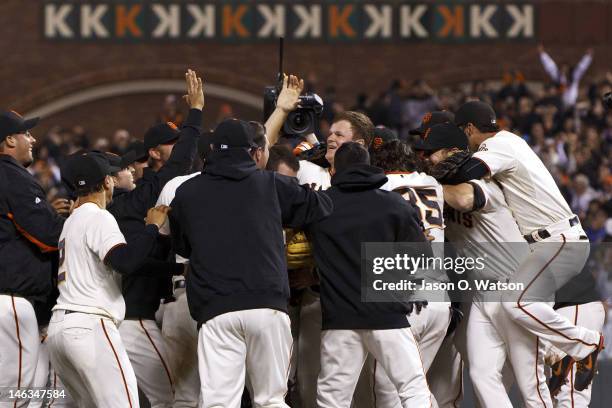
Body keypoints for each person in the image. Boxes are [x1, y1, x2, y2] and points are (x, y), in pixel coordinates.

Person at [438, 100, 604, 391]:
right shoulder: (510, 144)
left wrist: (430, 178)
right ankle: (557, 355)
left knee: (517, 302)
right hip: (548, 242)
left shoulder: (498, 144)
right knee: (519, 304)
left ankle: (584, 343)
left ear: (469, 129)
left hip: (557, 240)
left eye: (462, 134)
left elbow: (471, 170)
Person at [169, 118, 333, 407]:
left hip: (216, 308)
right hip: (266, 304)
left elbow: (183, 246)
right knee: (270, 399)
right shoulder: (271, 183)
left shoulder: (187, 192)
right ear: (255, 153)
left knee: (219, 402)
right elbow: (321, 207)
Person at [425, 124, 551, 407]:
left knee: (530, 384)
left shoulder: (484, 184)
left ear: (451, 153)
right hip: (483, 293)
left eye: (429, 153)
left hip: (515, 286)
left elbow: (463, 198)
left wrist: (427, 186)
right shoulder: (440, 190)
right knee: (482, 374)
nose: (426, 159)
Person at [303, 142, 431, 408]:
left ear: (335, 169)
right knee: (412, 388)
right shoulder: (394, 205)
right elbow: (423, 259)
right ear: (370, 166)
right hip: (387, 313)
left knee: (332, 400)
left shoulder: (321, 205)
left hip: (340, 317)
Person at [46, 152, 169, 408]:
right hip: (90, 325)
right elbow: (125, 262)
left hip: (61, 329)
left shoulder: (71, 222)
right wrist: (152, 227)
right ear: (106, 182)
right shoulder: (99, 216)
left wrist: (175, 269)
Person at [113, 69, 204, 408]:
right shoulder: (145, 195)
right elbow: (180, 162)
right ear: (152, 153)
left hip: (133, 315)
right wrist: (195, 113)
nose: (180, 146)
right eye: (171, 142)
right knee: (175, 396)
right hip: (134, 319)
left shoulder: (137, 196)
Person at [371, 138, 452, 408]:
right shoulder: (433, 185)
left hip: (406, 300)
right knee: (415, 387)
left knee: (387, 389)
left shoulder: (381, 187)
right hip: (440, 300)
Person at [0, 110, 67, 408]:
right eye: (26, 134)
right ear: (9, 140)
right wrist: (81, 218)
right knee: (16, 390)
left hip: (15, 301)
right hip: (11, 301)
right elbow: (48, 237)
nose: (33, 139)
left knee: (32, 390)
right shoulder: (10, 175)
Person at [538, 45, 593, 109]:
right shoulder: (558, 77)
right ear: (560, 70)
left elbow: (581, 68)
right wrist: (543, 54)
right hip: (560, 104)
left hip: (572, 104)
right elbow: (550, 67)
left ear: (569, 70)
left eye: (566, 69)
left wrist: (587, 57)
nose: (564, 71)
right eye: (562, 69)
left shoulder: (574, 77)